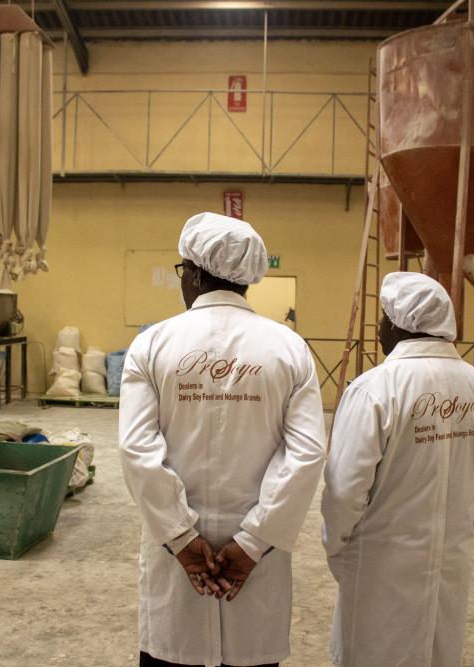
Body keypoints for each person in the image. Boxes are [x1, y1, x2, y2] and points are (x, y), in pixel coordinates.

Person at [119, 211, 327, 667]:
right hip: (255, 565)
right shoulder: (289, 349)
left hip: (174, 562)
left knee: (174, 654)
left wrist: (180, 537)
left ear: (193, 273)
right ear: (246, 279)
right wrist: (253, 543)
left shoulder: (152, 345)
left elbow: (137, 450)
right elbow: (307, 455)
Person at [322, 271, 474, 667]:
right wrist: (451, 524)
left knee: (372, 654)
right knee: (437, 652)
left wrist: (339, 545)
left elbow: (344, 489)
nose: (379, 329)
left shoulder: (376, 389)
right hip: (451, 560)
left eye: (382, 319)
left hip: (379, 565)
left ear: (396, 324)